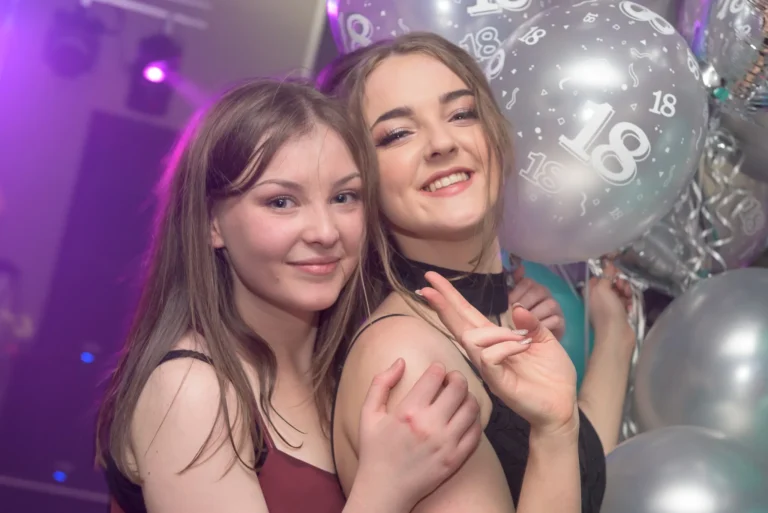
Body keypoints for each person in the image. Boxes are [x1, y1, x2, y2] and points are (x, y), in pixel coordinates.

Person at [94, 78, 485, 513]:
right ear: (211, 223)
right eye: (281, 202)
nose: (324, 231)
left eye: (344, 197)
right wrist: (385, 489)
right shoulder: (192, 387)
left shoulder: (349, 368)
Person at [319, 32, 637, 512]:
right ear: (358, 179)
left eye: (461, 113)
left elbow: (580, 480)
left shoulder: (494, 318)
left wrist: (614, 337)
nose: (442, 143)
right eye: (397, 133)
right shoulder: (410, 362)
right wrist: (552, 432)